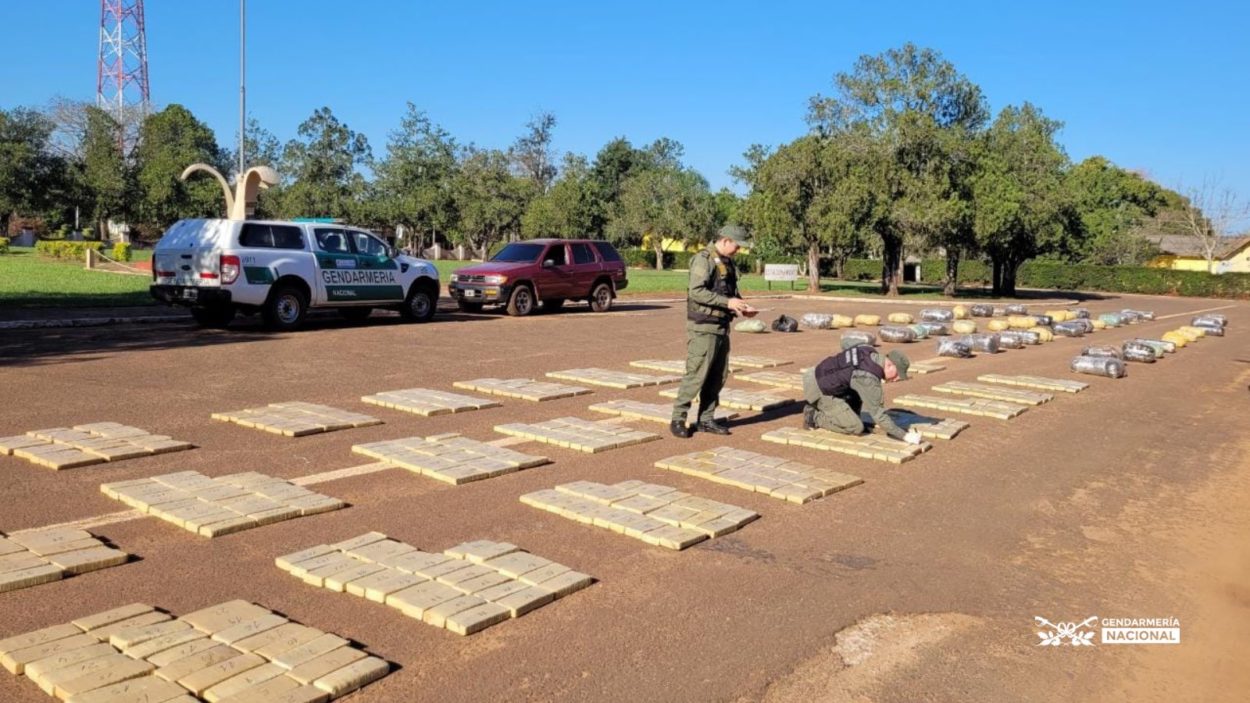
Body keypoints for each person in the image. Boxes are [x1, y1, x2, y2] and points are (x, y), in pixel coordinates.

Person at [670, 224, 756, 438]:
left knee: (717, 376)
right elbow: (697, 292)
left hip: (721, 327)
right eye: (737, 246)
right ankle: (678, 418)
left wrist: (741, 307)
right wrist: (728, 303)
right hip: (703, 327)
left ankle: (706, 419)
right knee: (697, 373)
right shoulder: (704, 259)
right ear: (725, 240)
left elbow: (728, 291)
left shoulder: (727, 263)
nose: (739, 250)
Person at [801, 345, 923, 444]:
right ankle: (814, 417)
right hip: (819, 389)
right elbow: (878, 415)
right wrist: (905, 436)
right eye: (897, 375)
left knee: (859, 392)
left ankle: (845, 415)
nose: (896, 379)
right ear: (890, 364)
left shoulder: (868, 351)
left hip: (816, 373)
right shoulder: (868, 378)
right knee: (855, 427)